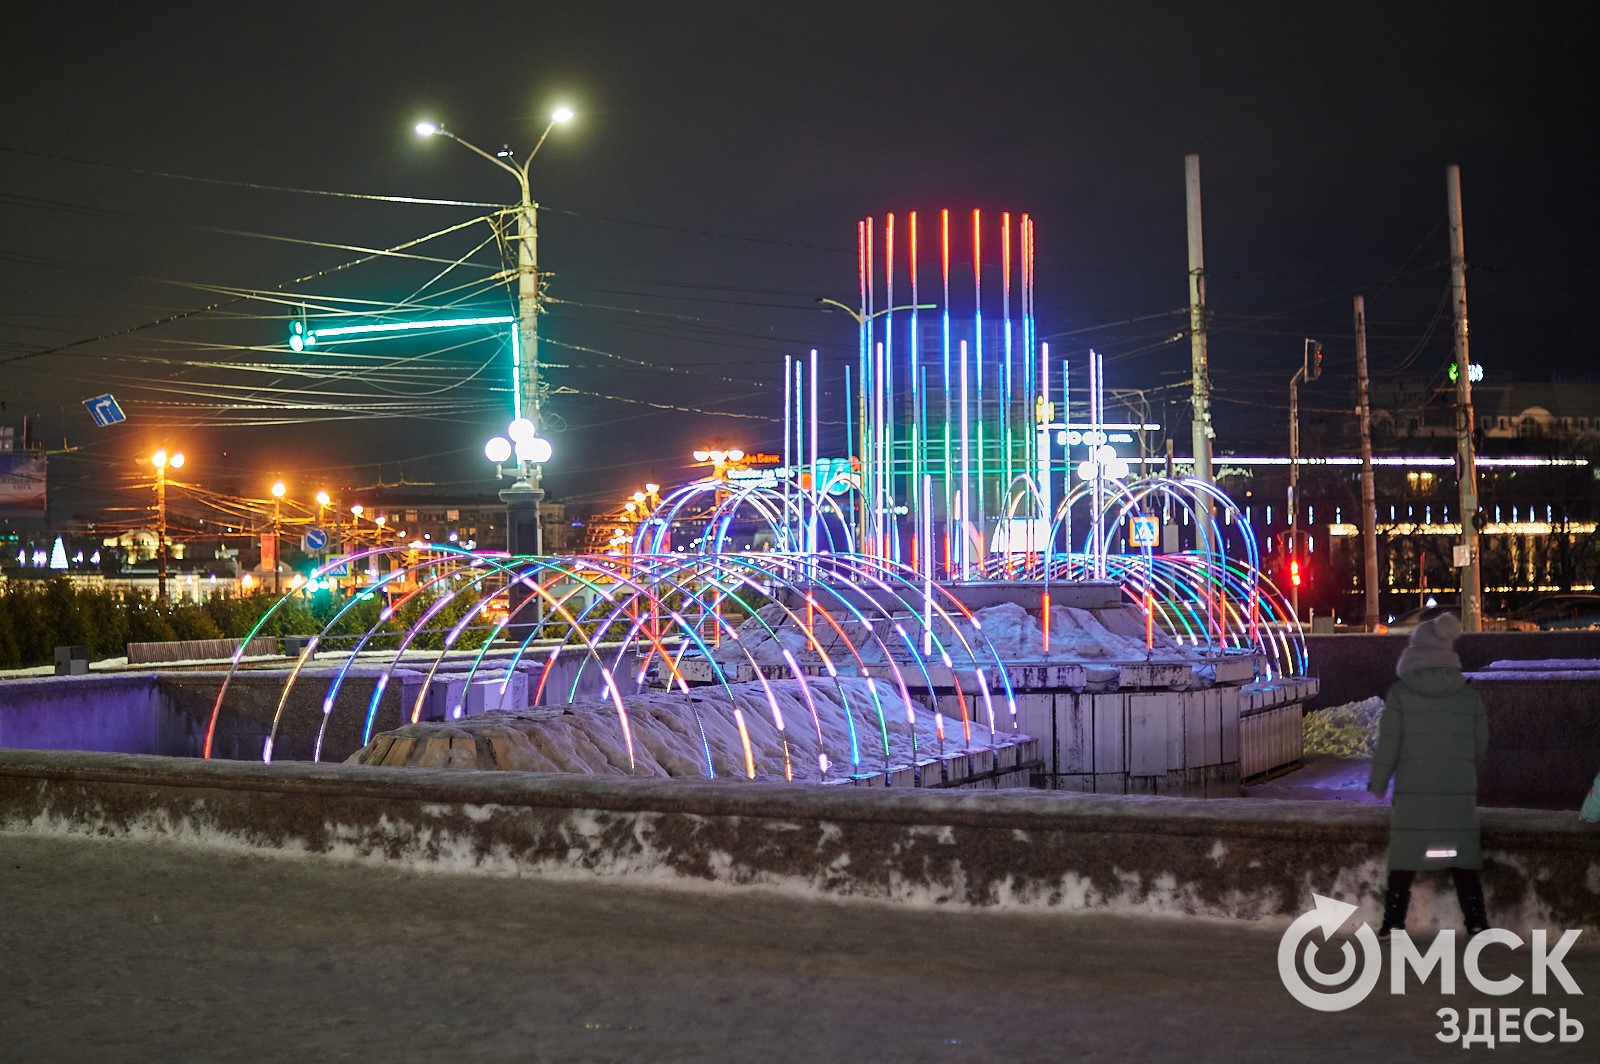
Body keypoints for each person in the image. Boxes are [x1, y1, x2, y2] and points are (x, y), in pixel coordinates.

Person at [1367, 611, 1489, 939]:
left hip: (1414, 795)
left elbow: (1389, 746)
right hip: (1456, 792)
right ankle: (1477, 921)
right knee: (1460, 856)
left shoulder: (1401, 694)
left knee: (1405, 857)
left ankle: (1392, 923)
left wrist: (1377, 785)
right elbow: (1481, 745)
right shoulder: (1468, 695)